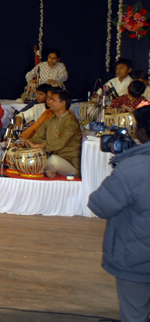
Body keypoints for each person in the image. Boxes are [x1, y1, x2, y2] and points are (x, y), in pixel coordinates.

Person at [87, 105, 150, 322]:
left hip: (138, 260)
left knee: (135, 314)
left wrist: (121, 166)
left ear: (142, 133)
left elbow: (99, 205)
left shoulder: (132, 168)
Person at [21, 90, 82, 177]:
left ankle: (51, 171)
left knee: (51, 161)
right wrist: (25, 142)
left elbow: (61, 142)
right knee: (24, 156)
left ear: (63, 103)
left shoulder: (71, 122)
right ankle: (51, 172)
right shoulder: (52, 119)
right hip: (52, 156)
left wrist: (42, 145)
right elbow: (38, 137)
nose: (49, 102)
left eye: (53, 100)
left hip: (70, 162)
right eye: (50, 99)